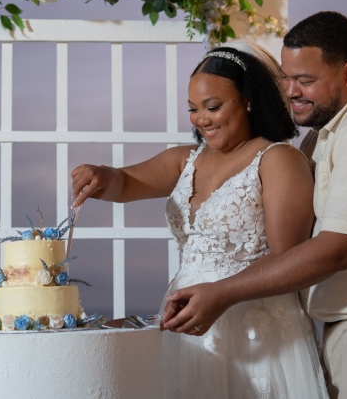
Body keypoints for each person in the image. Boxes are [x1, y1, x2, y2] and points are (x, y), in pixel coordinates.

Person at [161, 12, 347, 399]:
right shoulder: (321, 138)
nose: (290, 91)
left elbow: (337, 250)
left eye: (305, 81)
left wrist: (222, 292)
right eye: (286, 78)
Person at [71, 45, 328, 398]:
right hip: (188, 327)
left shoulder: (278, 160)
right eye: (193, 109)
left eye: (213, 107)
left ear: (249, 100)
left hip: (255, 332)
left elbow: (288, 257)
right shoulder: (185, 160)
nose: (201, 119)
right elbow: (125, 183)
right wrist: (101, 174)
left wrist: (222, 295)